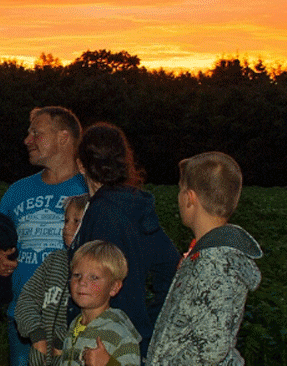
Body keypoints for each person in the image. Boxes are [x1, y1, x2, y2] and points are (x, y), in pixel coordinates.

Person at [71, 122, 179, 358]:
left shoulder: (102, 214)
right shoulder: (137, 206)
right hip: (133, 339)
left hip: (101, 343)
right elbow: (172, 266)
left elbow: (92, 282)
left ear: (81, 164)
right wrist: (149, 321)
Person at [145, 152, 262, 366]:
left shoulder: (216, 264)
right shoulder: (206, 254)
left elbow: (212, 347)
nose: (178, 197)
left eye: (180, 190)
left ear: (190, 199)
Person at [0, 107, 88, 366]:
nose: (27, 140)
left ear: (63, 137)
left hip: (74, 317)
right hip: (23, 319)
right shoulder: (18, 191)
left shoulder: (88, 188)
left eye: (36, 133)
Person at [16, 194, 89, 366]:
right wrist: (36, 334)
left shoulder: (95, 270)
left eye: (76, 221)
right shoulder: (54, 261)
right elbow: (27, 298)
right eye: (66, 221)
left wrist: (61, 340)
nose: (67, 228)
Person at [62, 240, 141, 366]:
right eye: (77, 275)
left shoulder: (119, 332)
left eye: (94, 277)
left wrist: (107, 363)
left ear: (114, 287)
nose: (82, 282)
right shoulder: (73, 325)